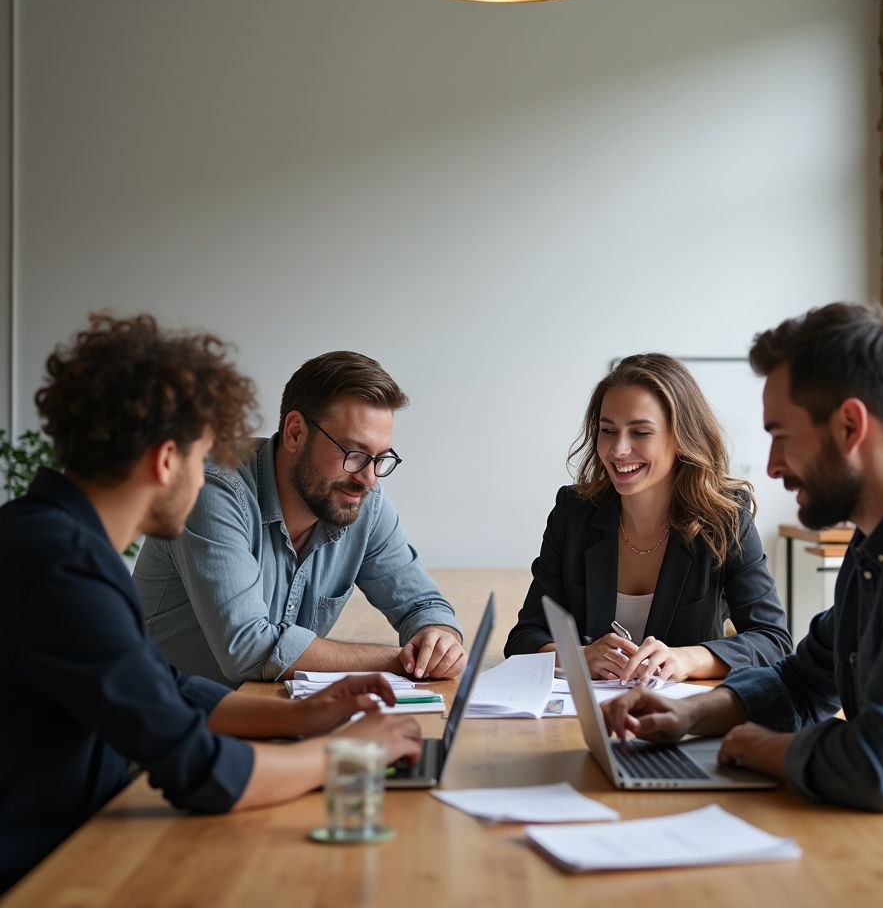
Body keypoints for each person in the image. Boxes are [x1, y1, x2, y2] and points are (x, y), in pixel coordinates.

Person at [602, 304, 883, 907]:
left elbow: (882, 768)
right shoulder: (879, 536)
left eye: (780, 435)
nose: (772, 467)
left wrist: (758, 746)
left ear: (850, 426)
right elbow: (804, 681)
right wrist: (693, 717)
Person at [1, 314, 423, 895]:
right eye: (202, 458)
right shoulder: (60, 567)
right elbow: (197, 768)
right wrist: (345, 754)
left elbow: (161, 689)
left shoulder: (55, 541)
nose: (207, 481)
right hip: (50, 870)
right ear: (165, 460)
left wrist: (301, 715)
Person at [134, 350, 466, 688]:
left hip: (266, 713)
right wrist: (401, 661)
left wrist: (437, 638)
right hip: (162, 722)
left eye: (381, 458)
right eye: (354, 453)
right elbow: (248, 649)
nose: (369, 478)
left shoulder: (361, 500)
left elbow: (423, 604)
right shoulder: (211, 491)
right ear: (295, 433)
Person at [505, 353, 792, 682]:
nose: (618, 450)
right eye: (608, 431)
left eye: (640, 433)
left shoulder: (725, 517)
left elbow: (773, 641)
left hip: (687, 718)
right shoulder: (574, 511)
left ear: (681, 439)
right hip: (586, 718)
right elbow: (524, 639)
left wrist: (687, 658)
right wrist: (578, 657)